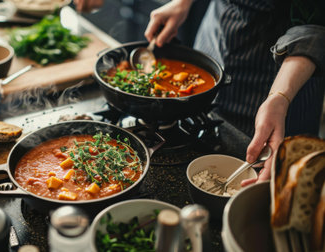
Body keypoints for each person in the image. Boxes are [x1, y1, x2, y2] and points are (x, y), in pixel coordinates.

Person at [75, 0, 325, 184]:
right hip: (215, 41)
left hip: (279, 81)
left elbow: (314, 26)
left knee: (269, 191)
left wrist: (279, 98)